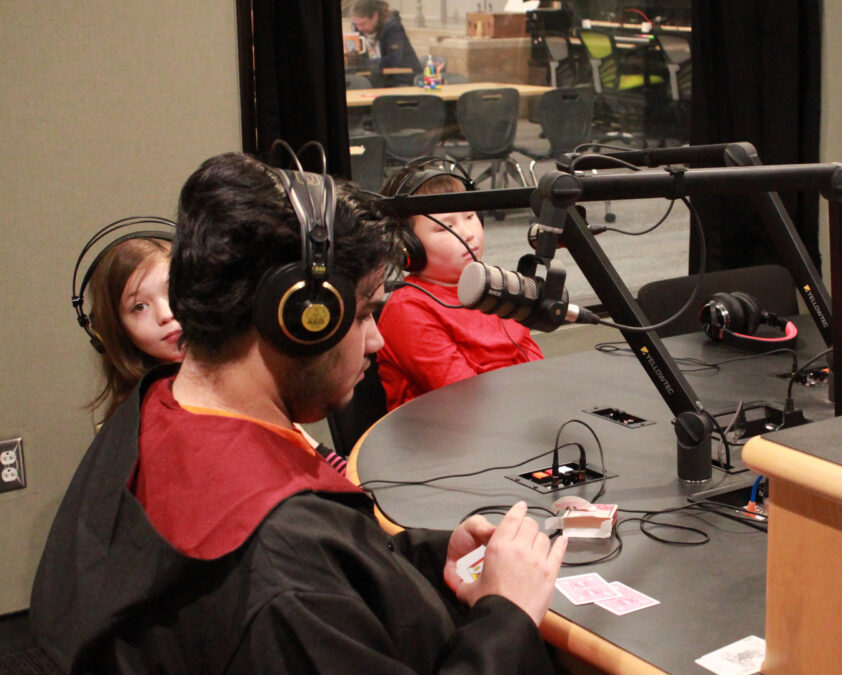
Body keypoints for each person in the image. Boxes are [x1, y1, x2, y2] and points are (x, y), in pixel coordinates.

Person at [31, 152, 566, 672]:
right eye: (364, 314)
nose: (377, 341)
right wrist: (508, 616)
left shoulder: (159, 408)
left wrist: (425, 555)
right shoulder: (284, 574)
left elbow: (333, 577)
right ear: (298, 320)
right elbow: (303, 582)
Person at [375, 164, 544, 410]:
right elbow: (467, 399)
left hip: (514, 416)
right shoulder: (408, 309)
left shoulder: (496, 284)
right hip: (451, 428)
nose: (467, 233)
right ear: (407, 245)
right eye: (446, 227)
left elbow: (538, 372)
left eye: (470, 216)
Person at [76, 231, 183, 421]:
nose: (166, 314)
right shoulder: (141, 418)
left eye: (175, 290)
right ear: (119, 329)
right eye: (139, 307)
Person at [350, 0, 422, 86]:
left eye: (363, 23)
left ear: (375, 16)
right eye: (356, 24)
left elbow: (394, 60)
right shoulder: (359, 30)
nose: (360, 28)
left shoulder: (393, 28)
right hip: (378, 78)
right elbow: (361, 59)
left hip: (403, 78)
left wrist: (364, 63)